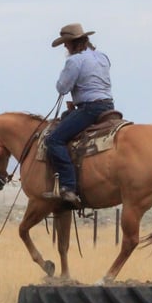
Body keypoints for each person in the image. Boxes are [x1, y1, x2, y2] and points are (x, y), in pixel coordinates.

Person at [45, 23, 115, 207]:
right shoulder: (102, 57)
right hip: (108, 106)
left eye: (66, 44)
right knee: (66, 120)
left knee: (54, 140)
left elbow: (62, 87)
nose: (65, 47)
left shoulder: (74, 61)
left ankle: (68, 186)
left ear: (72, 43)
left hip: (90, 109)